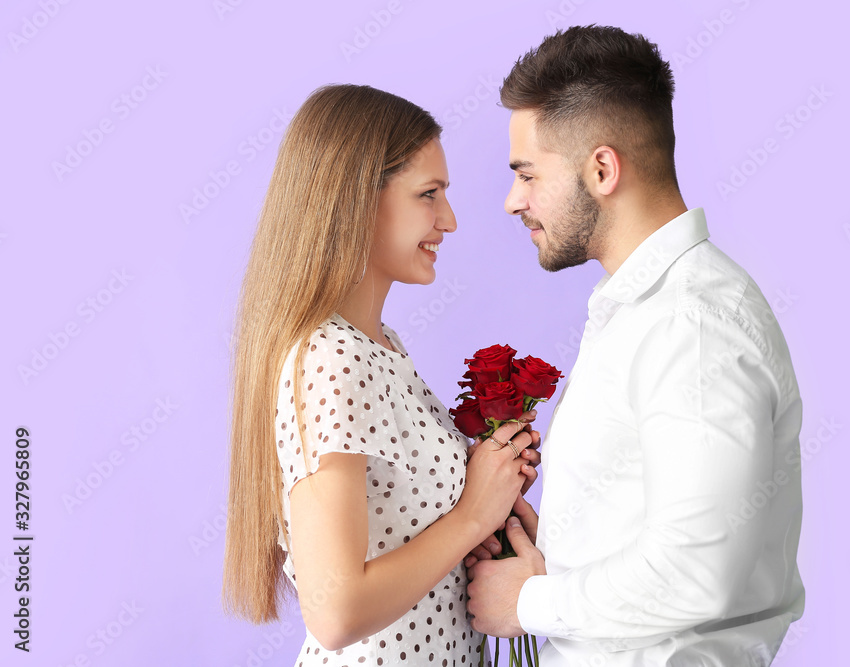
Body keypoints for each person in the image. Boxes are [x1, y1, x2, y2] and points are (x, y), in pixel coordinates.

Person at [465, 25, 807, 666]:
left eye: (528, 174)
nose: (514, 201)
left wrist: (531, 601)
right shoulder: (646, 310)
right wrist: (561, 562)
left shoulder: (691, 323)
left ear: (601, 169)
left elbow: (698, 570)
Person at [221, 83, 542, 665]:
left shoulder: (381, 346)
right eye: (429, 194)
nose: (448, 219)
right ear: (355, 201)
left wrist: (495, 502)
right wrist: (474, 514)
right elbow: (335, 610)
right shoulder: (332, 358)